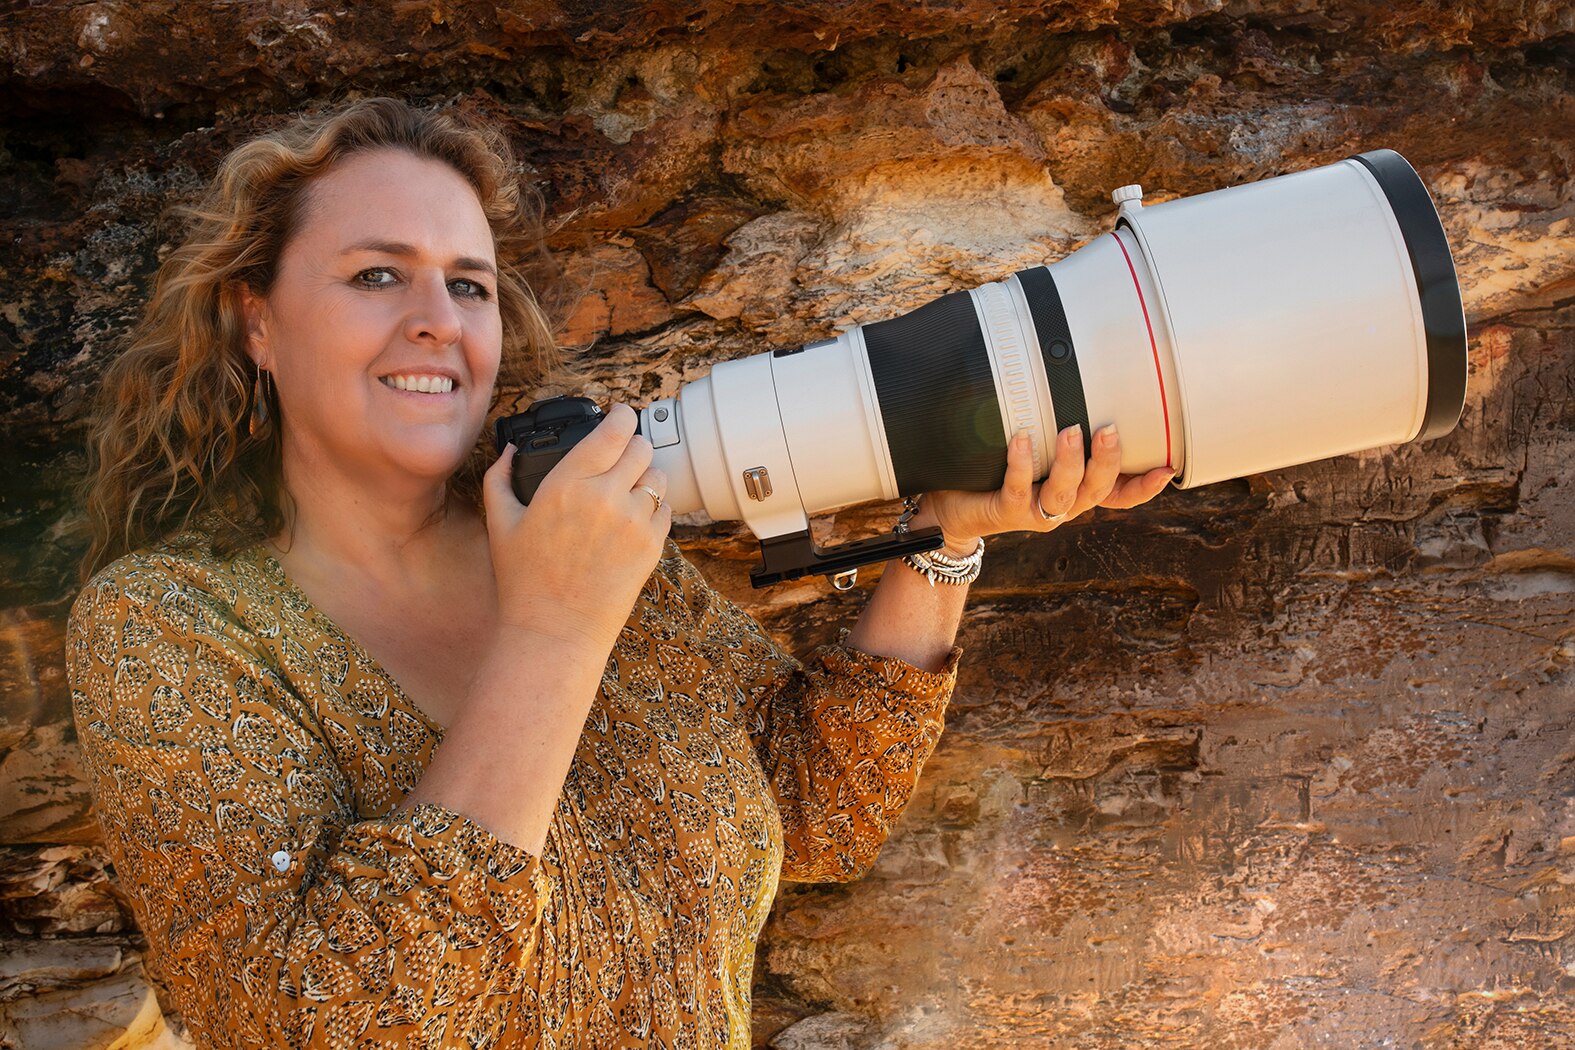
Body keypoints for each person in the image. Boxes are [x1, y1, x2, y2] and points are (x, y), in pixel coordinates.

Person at [66, 97, 1172, 1049]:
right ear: (257, 321)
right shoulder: (172, 627)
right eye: (375, 276)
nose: (435, 323)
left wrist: (946, 532)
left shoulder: (578, 527)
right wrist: (553, 630)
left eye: (470, 286)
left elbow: (815, 810)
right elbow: (340, 1017)